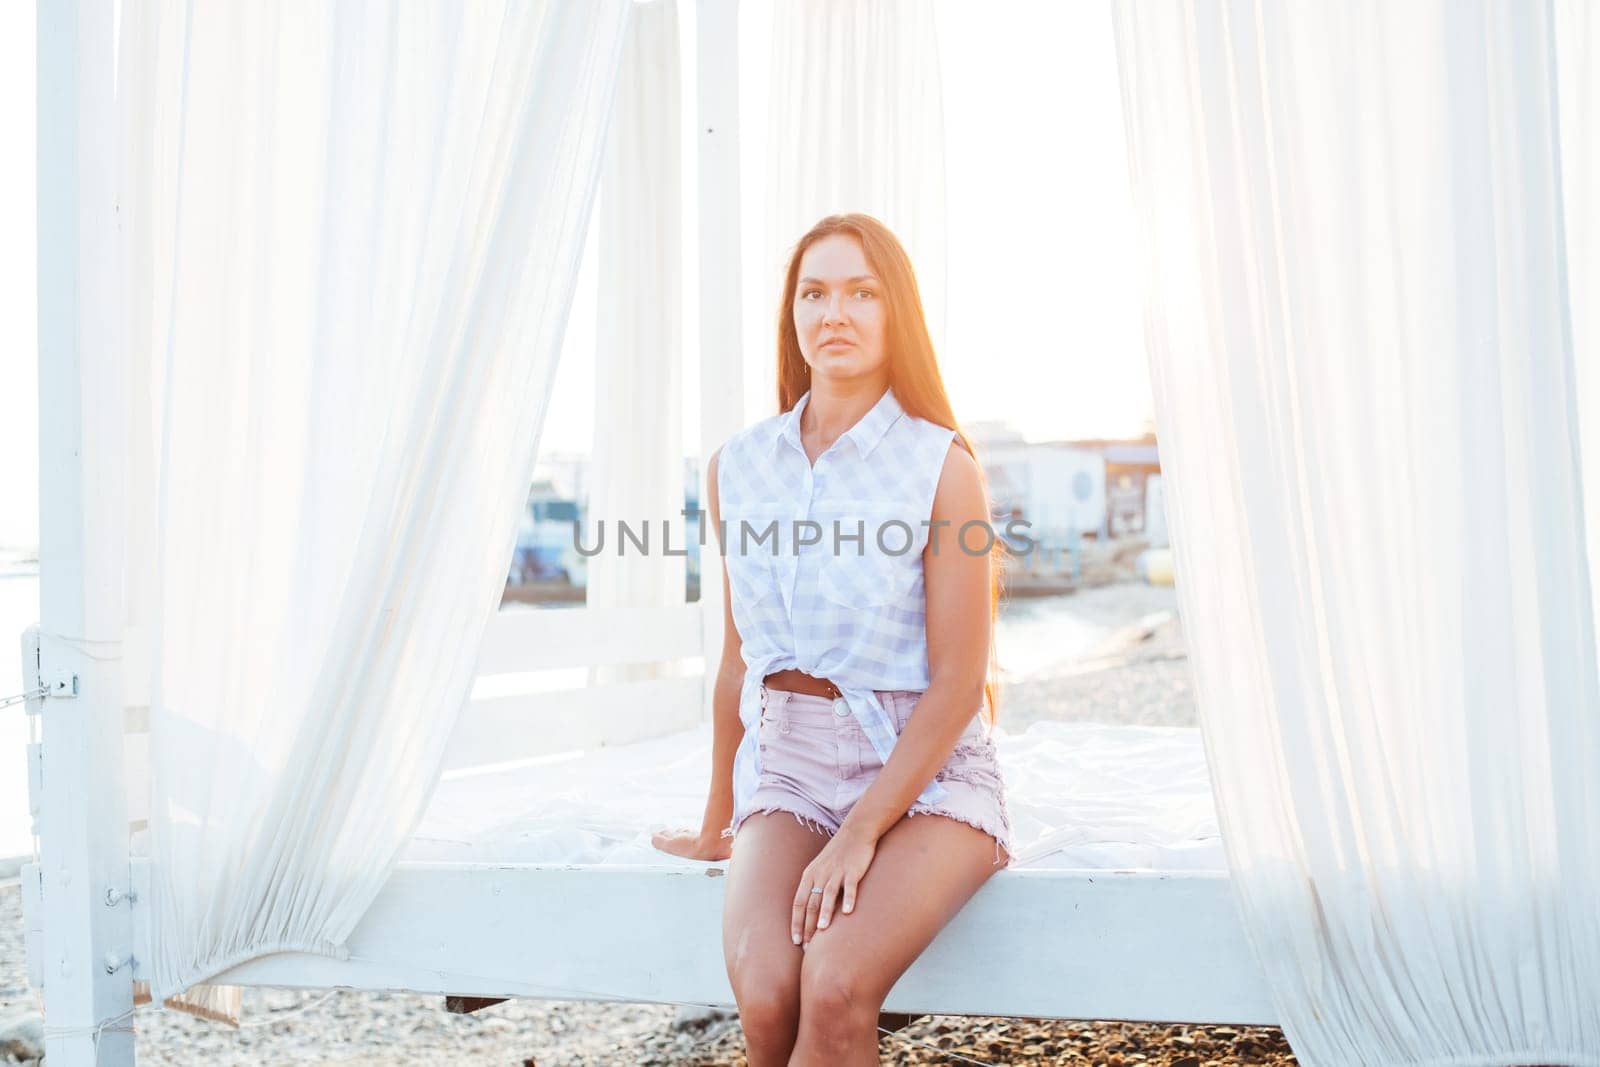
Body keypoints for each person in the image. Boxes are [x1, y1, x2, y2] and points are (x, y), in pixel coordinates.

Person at [652, 212, 1013, 1065]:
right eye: (814, 292)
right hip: (792, 769)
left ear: (897, 316)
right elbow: (741, 658)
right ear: (793, 316)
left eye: (861, 292)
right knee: (767, 986)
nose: (834, 313)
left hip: (927, 774)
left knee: (838, 987)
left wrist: (859, 836)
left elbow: (960, 682)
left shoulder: (943, 468)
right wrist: (718, 819)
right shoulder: (738, 467)